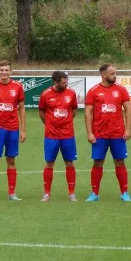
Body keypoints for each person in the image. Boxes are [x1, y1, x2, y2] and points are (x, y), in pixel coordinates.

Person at [84, 63, 131, 202]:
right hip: (99, 134)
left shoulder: (121, 90)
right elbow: (88, 113)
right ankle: (94, 193)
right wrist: (89, 132)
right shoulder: (93, 91)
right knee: (98, 162)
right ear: (104, 75)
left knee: (120, 162)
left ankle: (125, 193)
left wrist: (128, 129)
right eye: (112, 73)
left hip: (118, 133)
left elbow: (128, 109)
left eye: (115, 73)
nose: (115, 76)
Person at [0, 60, 26, 201]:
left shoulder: (18, 87)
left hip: (13, 128)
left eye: (6, 70)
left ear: (10, 72)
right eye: (1, 70)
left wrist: (23, 130)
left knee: (11, 159)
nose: (4, 72)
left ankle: (12, 193)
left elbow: (22, 108)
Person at [38, 71, 78, 202]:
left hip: (67, 134)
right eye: (63, 82)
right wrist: (50, 124)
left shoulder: (71, 93)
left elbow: (74, 110)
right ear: (55, 82)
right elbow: (42, 112)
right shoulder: (45, 94)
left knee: (69, 162)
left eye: (67, 82)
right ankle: (47, 193)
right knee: (49, 163)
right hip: (51, 135)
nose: (66, 84)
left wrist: (66, 122)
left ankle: (71, 193)